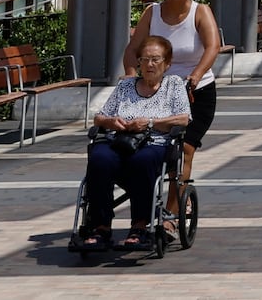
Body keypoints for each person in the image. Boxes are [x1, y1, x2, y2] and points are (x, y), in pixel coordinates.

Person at [80, 35, 190, 252]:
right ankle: (100, 226)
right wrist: (112, 121)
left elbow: (183, 118)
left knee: (143, 160)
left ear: (167, 64)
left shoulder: (174, 85)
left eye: (155, 60)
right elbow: (99, 118)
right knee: (100, 158)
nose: (149, 64)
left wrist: (150, 122)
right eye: (144, 59)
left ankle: (139, 226)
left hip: (154, 142)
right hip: (119, 140)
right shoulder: (126, 85)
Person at [123, 0, 223, 182]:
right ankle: (154, 197)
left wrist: (195, 76)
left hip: (195, 92)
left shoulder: (200, 12)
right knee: (153, 148)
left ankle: (173, 208)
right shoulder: (153, 13)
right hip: (158, 91)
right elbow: (133, 48)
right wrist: (131, 75)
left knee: (184, 149)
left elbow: (213, 46)